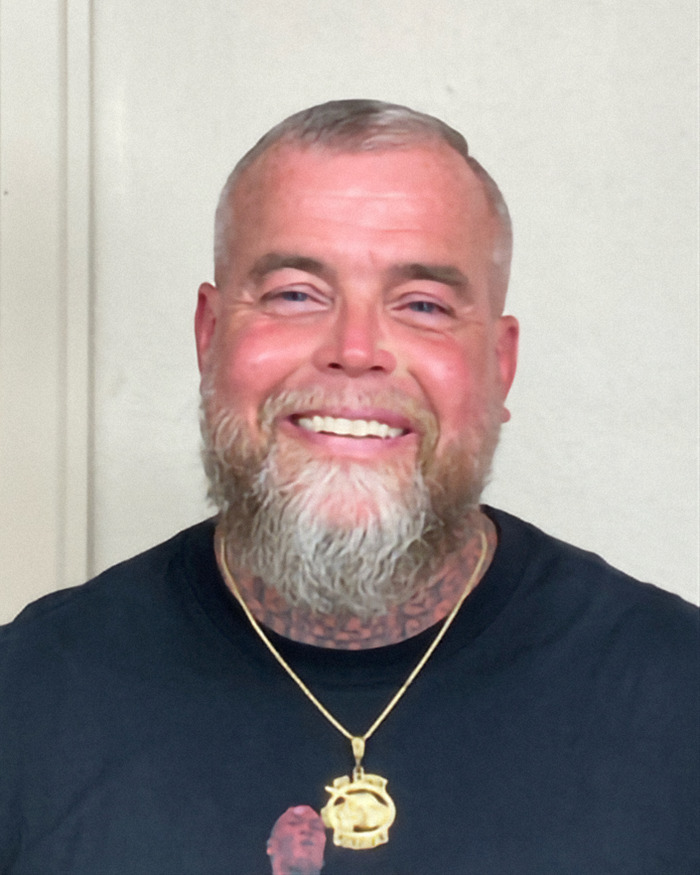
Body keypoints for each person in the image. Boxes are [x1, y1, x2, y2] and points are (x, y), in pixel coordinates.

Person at [0, 100, 697, 875]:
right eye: (296, 293)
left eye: (423, 305)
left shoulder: (679, 695)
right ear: (209, 336)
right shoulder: (26, 698)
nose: (356, 350)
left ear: (500, 365)